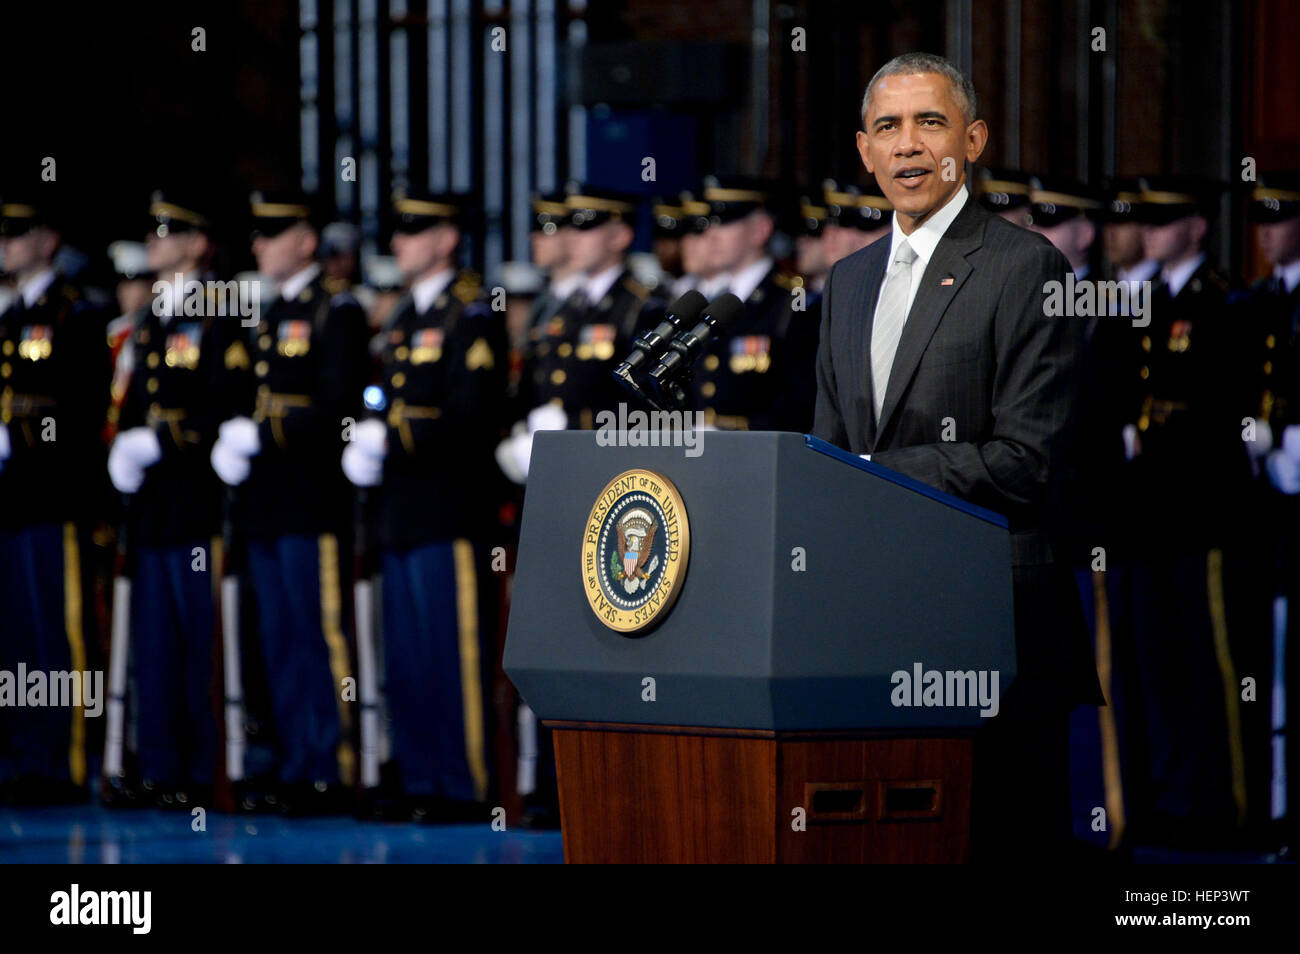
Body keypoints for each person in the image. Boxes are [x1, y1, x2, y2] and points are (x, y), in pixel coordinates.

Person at [811, 52, 1102, 861]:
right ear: (864, 151)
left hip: (991, 623)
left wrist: (871, 479)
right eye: (887, 128)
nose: (908, 146)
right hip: (870, 628)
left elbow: (1025, 461)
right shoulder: (847, 280)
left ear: (971, 140)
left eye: (929, 123)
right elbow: (829, 452)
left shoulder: (1025, 266)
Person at [342, 189, 506, 821]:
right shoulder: (406, 317)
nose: (398, 242)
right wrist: (368, 428)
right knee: (407, 654)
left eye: (413, 230)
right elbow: (383, 396)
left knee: (451, 651)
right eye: (397, 231)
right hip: (401, 512)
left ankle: (461, 783)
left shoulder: (472, 314)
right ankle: (418, 776)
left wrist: (396, 435)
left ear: (446, 238)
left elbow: (472, 416)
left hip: (449, 508)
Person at [209, 190, 371, 814]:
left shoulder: (337, 310)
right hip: (264, 502)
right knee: (273, 635)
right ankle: (287, 759)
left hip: (310, 498)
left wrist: (265, 430)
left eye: (275, 232)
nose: (260, 244)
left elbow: (336, 406)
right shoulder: (263, 313)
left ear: (307, 241)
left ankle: (328, 764)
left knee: (316, 634)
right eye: (258, 234)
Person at [105, 190, 246, 809]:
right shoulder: (151, 320)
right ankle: (159, 766)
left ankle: (202, 770)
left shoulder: (220, 311)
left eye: (170, 231)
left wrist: (163, 438)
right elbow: (135, 399)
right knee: (154, 643)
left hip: (196, 499)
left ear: (199, 243)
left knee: (200, 643)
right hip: (155, 506)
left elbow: (227, 401)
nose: (156, 240)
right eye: (154, 230)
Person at [0, 194, 110, 805]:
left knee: (54, 636)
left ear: (48, 240)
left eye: (19, 234)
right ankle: (21, 755)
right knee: (15, 637)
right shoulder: (9, 314)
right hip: (9, 499)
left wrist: (15, 434)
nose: (6, 244)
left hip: (52, 497)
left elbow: (78, 409)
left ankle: (61, 758)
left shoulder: (75, 315)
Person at [1244, 172, 1300, 850]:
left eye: (1278, 218)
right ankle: (1277, 811)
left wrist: (1282, 443)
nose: (1266, 230)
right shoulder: (1263, 300)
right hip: (1267, 508)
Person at [689, 175, 818, 432]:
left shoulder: (793, 302)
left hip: (759, 454)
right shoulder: (704, 301)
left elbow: (801, 405)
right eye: (709, 223)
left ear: (760, 230)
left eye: (726, 222)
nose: (711, 234)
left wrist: (729, 430)